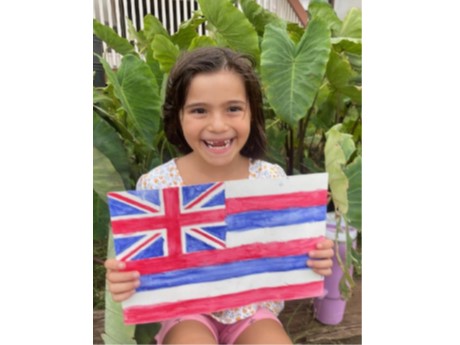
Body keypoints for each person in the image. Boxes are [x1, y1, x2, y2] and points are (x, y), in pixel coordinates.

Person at [105, 46, 334, 344]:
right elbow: (143, 271)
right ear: (179, 116)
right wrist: (125, 281)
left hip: (253, 310)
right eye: (199, 110)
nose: (217, 125)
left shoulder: (269, 179)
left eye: (233, 108)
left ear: (252, 113)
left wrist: (313, 257)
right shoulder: (158, 184)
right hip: (185, 311)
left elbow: (286, 253)